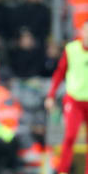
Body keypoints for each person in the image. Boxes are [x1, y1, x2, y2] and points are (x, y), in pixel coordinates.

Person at [45, 20, 88, 174]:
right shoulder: (71, 50)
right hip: (74, 100)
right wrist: (51, 95)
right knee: (70, 136)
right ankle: (63, 170)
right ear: (81, 32)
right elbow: (59, 74)